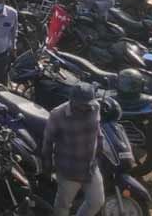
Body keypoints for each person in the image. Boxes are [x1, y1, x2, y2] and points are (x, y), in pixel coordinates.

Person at [43, 83, 105, 216]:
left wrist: (100, 149)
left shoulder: (95, 107)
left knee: (97, 201)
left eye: (88, 103)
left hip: (90, 167)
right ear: (72, 100)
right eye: (82, 104)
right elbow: (48, 143)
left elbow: (98, 130)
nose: (86, 107)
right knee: (63, 206)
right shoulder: (57, 115)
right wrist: (48, 168)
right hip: (68, 171)